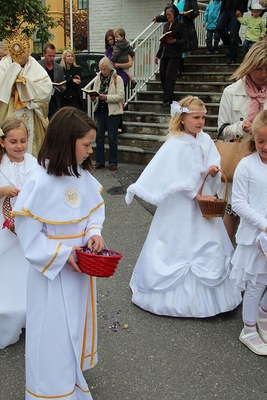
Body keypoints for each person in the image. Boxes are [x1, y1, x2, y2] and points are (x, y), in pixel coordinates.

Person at [13, 107, 105, 399]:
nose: (91, 151)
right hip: (51, 274)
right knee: (51, 334)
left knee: (74, 330)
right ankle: (49, 392)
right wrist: (64, 254)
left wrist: (94, 234)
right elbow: (29, 237)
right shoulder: (38, 183)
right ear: (66, 141)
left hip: (79, 273)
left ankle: (73, 383)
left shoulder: (82, 177)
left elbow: (94, 212)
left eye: (92, 144)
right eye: (86, 145)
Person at [125, 95, 242, 317]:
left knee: (209, 241)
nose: (200, 122)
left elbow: (213, 158)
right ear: (182, 119)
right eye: (195, 117)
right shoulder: (175, 143)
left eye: (203, 118)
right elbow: (172, 174)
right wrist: (193, 194)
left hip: (205, 202)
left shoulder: (206, 139)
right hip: (181, 204)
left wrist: (213, 168)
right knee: (176, 241)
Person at [217, 40, 267, 240]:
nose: (264, 74)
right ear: (250, 66)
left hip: (264, 160)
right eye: (260, 69)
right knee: (233, 210)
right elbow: (221, 131)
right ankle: (226, 259)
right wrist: (240, 127)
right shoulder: (231, 91)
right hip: (241, 160)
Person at [231, 110, 267, 356]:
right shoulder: (247, 165)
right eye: (261, 141)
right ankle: (249, 328)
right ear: (254, 137)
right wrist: (264, 224)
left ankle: (263, 315)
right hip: (255, 236)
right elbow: (238, 203)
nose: (265, 146)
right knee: (256, 282)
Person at [0, 117, 37, 349]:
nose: (19, 146)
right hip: (4, 225)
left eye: (23, 141)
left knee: (26, 267)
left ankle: (29, 311)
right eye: (13, 141)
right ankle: (7, 309)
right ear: (3, 142)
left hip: (26, 225)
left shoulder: (34, 163)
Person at [0, 36, 52, 157]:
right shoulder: (3, 66)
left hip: (30, 110)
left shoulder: (35, 66)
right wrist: (11, 82)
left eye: (23, 55)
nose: (20, 59)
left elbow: (46, 88)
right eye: (16, 55)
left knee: (32, 147)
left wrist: (25, 85)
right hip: (8, 111)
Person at [90, 57, 124, 171]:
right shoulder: (98, 78)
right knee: (99, 138)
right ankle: (100, 161)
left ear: (110, 68)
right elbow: (94, 92)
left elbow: (120, 96)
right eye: (101, 69)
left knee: (112, 138)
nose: (103, 71)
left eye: (105, 69)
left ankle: (113, 162)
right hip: (100, 111)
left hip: (113, 113)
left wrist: (106, 97)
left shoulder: (117, 78)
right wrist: (93, 97)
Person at [155, 4, 188, 107]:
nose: (168, 16)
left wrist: (175, 41)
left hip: (175, 54)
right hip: (165, 53)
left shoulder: (180, 24)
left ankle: (167, 99)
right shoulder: (165, 25)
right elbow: (162, 41)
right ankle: (170, 96)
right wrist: (158, 55)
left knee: (170, 76)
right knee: (162, 75)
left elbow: (185, 40)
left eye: (169, 14)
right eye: (166, 14)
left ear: (174, 14)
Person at [39, 43, 66, 119]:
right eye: (49, 56)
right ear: (44, 54)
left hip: (54, 100)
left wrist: (60, 87)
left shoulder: (59, 68)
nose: (52, 58)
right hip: (41, 101)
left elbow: (64, 86)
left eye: (54, 56)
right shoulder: (38, 66)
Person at [216, 0, 248, 64]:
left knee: (233, 34)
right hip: (226, 10)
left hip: (236, 11)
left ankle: (232, 57)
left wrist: (241, 10)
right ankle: (229, 43)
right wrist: (221, 11)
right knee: (219, 28)